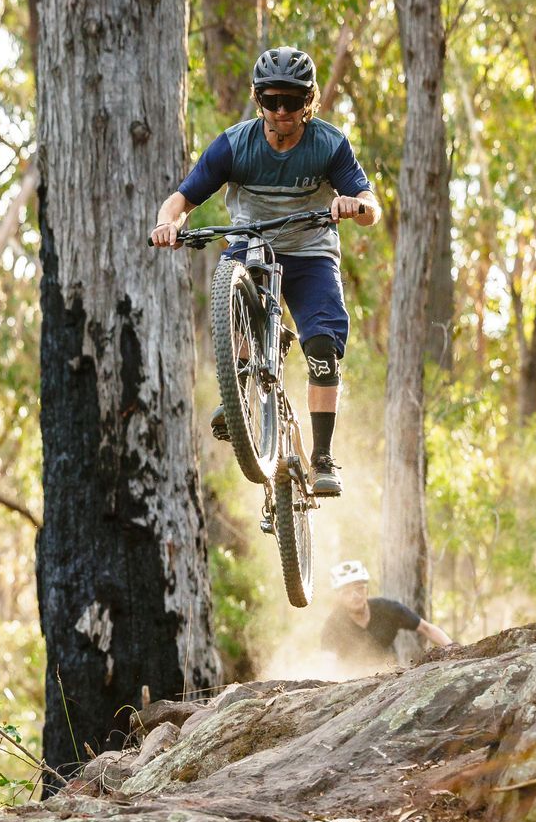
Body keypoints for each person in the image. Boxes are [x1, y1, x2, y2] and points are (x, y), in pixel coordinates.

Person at [148, 46, 380, 498]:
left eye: (291, 101)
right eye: (271, 100)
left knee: (321, 347)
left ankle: (323, 457)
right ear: (258, 101)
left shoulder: (329, 144)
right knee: (233, 280)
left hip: (311, 254)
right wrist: (166, 225)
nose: (281, 111)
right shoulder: (235, 145)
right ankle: (237, 391)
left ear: (307, 102)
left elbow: (371, 205)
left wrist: (355, 205)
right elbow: (181, 201)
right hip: (252, 243)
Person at [320, 560, 452, 671]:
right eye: (347, 592)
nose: (355, 596)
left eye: (359, 588)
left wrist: (453, 649)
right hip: (352, 680)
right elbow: (328, 660)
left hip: (391, 676)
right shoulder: (333, 625)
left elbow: (427, 629)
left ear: (367, 590)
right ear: (339, 598)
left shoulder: (387, 609)